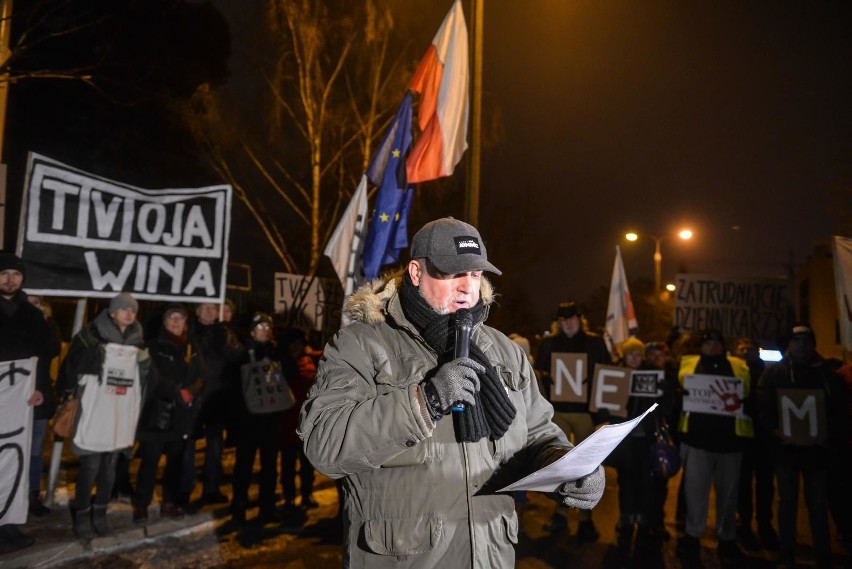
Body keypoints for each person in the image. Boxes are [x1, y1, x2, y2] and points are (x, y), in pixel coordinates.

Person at [299, 217, 605, 568]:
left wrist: (569, 469)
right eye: (451, 274)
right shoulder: (361, 344)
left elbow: (537, 434)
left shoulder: (505, 351)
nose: (466, 288)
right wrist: (424, 402)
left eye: (475, 274)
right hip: (406, 558)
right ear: (416, 273)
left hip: (490, 556)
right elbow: (324, 444)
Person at [59, 292, 152, 538]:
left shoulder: (138, 341)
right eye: (124, 309)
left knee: (110, 467)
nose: (129, 314)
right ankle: (81, 516)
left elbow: (143, 380)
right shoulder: (91, 335)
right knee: (90, 467)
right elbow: (72, 365)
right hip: (95, 410)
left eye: (133, 310)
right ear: (112, 312)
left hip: (119, 413)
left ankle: (100, 515)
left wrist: (143, 365)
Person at [756, 324, 847, 569]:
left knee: (817, 506)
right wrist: (775, 432)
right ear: (789, 345)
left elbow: (838, 411)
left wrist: (828, 437)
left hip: (817, 453)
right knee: (787, 505)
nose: (803, 346)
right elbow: (764, 408)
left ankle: (823, 557)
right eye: (798, 341)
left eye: (807, 341)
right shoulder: (775, 374)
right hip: (786, 452)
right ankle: (787, 556)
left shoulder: (827, 375)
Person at [534, 300, 612, 540]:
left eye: (572, 318)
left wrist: (604, 416)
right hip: (558, 411)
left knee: (588, 466)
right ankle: (560, 512)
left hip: (586, 412)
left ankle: (586, 518)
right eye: (562, 320)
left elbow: (606, 376)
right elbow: (539, 376)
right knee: (560, 463)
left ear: (580, 319)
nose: (568, 323)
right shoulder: (548, 344)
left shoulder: (595, 343)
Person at [675, 329, 753, 565]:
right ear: (701, 346)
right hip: (697, 442)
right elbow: (678, 395)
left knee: (728, 496)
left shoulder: (739, 366)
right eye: (706, 342)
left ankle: (727, 538)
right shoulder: (688, 365)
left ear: (722, 345)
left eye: (715, 342)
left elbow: (749, 395)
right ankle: (692, 535)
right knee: (695, 493)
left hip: (730, 444)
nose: (711, 346)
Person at [0, 252, 60, 553]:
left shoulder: (30, 313)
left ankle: (8, 524)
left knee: (15, 460)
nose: (10, 280)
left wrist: (37, 388)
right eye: (4, 274)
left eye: (16, 274)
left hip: (19, 401)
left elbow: (44, 353)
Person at [133, 303, 204, 524]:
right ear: (164, 322)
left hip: (182, 414)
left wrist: (191, 392)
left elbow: (201, 375)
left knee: (175, 463)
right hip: (156, 413)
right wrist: (177, 392)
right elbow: (151, 377)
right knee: (150, 462)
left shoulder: (192, 348)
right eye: (172, 317)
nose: (176, 321)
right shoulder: (153, 346)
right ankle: (141, 505)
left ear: (185, 324)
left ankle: (169, 503)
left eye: (180, 318)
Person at [230, 312, 294, 524]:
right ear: (251, 331)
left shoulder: (276, 352)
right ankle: (238, 509)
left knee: (269, 467)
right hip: (248, 422)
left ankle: (266, 509)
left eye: (268, 327)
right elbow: (232, 389)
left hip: (271, 421)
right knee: (244, 467)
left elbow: (290, 376)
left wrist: (281, 353)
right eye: (260, 327)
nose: (265, 330)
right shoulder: (241, 355)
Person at [187, 302, 244, 506]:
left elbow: (236, 357)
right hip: (195, 395)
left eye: (214, 308)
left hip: (217, 397)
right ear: (197, 311)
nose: (211, 311)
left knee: (214, 446)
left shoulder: (224, 332)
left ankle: (210, 488)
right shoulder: (189, 331)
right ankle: (185, 487)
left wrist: (226, 335)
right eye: (206, 307)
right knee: (188, 445)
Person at [733, 337, 778, 551]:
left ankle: (764, 523)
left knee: (765, 484)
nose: (745, 352)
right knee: (742, 483)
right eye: (741, 349)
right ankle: (744, 521)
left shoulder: (769, 373)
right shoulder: (732, 372)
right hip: (742, 437)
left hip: (763, 437)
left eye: (749, 348)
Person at [278, 328, 318, 512]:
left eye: (298, 344)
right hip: (286, 422)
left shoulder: (310, 360)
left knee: (307, 464)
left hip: (306, 422)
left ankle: (306, 494)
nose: (295, 347)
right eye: (291, 344)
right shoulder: (281, 364)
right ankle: (289, 498)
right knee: (287, 464)